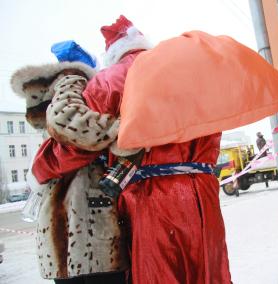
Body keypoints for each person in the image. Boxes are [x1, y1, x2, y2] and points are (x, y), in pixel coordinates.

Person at [30, 15, 232, 284]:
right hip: (204, 192)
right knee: (208, 269)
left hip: (150, 195)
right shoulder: (191, 76)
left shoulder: (110, 80)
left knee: (159, 273)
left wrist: (42, 166)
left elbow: (75, 141)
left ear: (111, 53)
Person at [10, 41, 129, 283]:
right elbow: (71, 125)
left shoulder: (49, 106)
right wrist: (124, 129)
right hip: (89, 227)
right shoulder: (74, 79)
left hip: (63, 226)